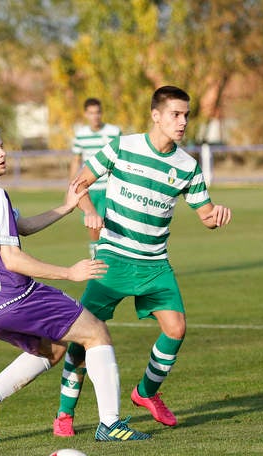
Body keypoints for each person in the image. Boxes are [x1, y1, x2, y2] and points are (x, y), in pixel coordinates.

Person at [53, 85, 232, 437]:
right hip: (113, 259)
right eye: (175, 114)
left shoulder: (188, 166)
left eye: (186, 115)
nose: (182, 122)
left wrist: (218, 216)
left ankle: (145, 392)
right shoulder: (122, 146)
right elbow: (79, 184)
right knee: (82, 337)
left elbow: (206, 215)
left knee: (176, 329)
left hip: (154, 264)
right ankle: (64, 414)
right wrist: (89, 211)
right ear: (156, 115)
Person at [0, 122, 149, 443]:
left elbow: (22, 227)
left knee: (54, 348)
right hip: (12, 296)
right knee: (96, 332)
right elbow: (12, 259)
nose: (3, 153)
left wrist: (67, 207)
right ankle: (111, 425)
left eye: (2, 146)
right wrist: (69, 272)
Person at [69, 98, 122, 258]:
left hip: (110, 188)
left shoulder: (114, 132)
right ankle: (95, 259)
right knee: (93, 228)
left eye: (97, 112)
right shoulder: (80, 135)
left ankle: (112, 258)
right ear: (86, 114)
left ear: (101, 113)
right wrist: (70, 188)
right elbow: (76, 160)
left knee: (112, 228)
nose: (95, 116)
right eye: (91, 113)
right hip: (89, 189)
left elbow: (122, 157)